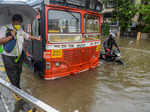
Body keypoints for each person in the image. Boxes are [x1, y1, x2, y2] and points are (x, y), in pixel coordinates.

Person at [0, 14, 40, 93]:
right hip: (8, 57)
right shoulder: (4, 28)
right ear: (13, 21)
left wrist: (36, 38)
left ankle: (17, 87)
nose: (18, 25)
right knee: (12, 74)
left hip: (18, 56)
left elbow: (27, 36)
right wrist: (11, 37)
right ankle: (17, 92)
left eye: (19, 23)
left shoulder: (20, 29)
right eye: (16, 23)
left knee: (18, 72)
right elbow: (0, 41)